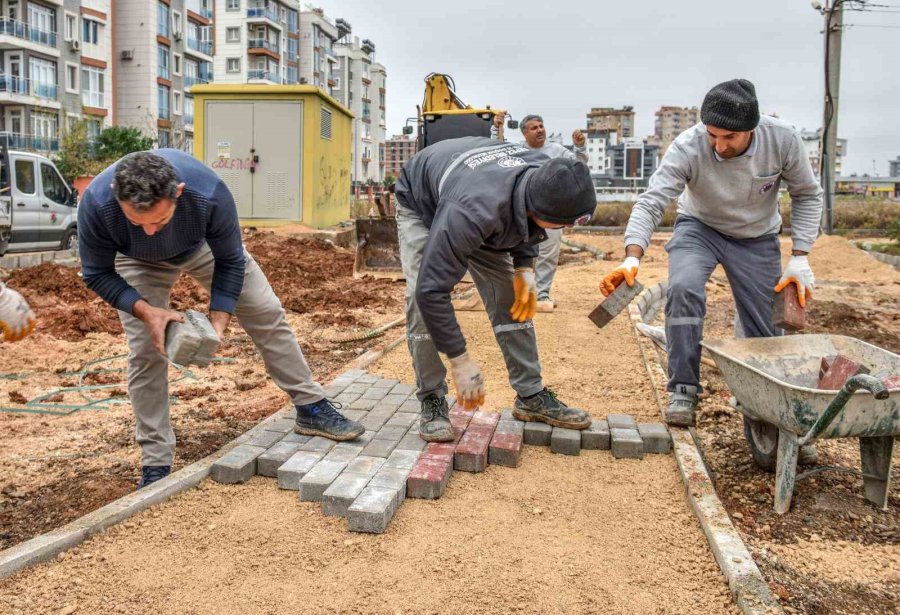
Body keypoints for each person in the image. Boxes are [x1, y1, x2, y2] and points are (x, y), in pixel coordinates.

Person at [78, 150, 364, 489]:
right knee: (145, 350)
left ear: (178, 193)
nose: (151, 231)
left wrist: (218, 322)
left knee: (265, 312)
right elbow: (96, 273)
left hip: (202, 249)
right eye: (138, 222)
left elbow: (230, 262)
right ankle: (156, 462)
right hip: (135, 262)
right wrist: (147, 312)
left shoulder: (208, 194)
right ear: (116, 195)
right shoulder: (96, 203)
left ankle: (312, 407)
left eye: (160, 220)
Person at [602, 79, 823, 431]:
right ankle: (684, 388)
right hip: (699, 228)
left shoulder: (782, 139)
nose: (718, 146)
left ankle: (761, 408)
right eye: (712, 135)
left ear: (751, 128)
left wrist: (800, 256)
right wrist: (632, 256)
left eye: (729, 138)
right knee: (684, 288)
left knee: (763, 327)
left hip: (757, 236)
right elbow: (652, 201)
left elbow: (808, 195)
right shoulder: (689, 146)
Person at [395, 135, 596, 442]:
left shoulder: (547, 172)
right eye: (563, 224)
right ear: (542, 209)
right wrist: (460, 360)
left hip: (473, 191)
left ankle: (531, 396)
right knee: (420, 302)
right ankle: (432, 400)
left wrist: (524, 265)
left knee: (512, 297)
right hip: (424, 200)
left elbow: (526, 218)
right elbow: (431, 291)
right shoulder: (473, 211)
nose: (566, 230)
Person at [493, 113, 589, 310]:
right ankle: (518, 292)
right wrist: (496, 129)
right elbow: (497, 153)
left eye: (541, 126)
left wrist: (579, 147)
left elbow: (578, 166)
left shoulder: (556, 150)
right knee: (518, 253)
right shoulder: (518, 151)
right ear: (524, 132)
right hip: (523, 213)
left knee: (548, 254)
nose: (540, 130)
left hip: (553, 213)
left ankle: (543, 295)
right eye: (534, 127)